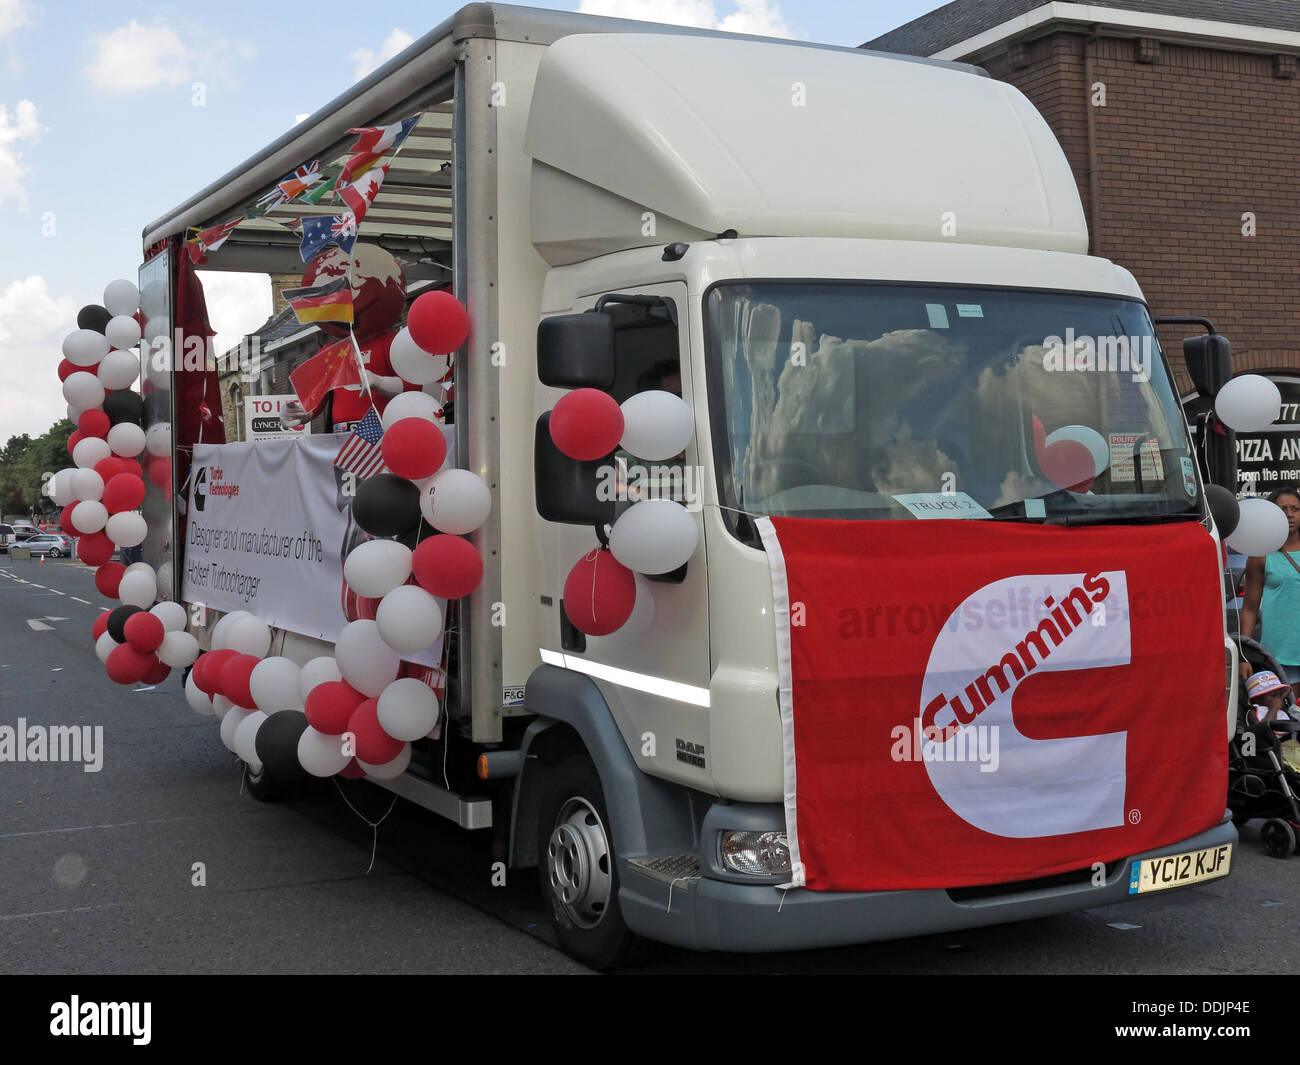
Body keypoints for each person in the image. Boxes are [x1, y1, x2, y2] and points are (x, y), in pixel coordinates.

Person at [1240, 486, 1300, 699]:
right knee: (1285, 722)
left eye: (1295, 509)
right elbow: (1249, 608)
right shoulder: (1261, 554)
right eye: (1283, 509)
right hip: (1278, 656)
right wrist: (1243, 654)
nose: (1289, 514)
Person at [1245, 670, 1300, 772]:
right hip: (1275, 753)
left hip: (1293, 747)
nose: (1277, 699)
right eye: (1272, 696)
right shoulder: (1254, 712)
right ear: (1257, 699)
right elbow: (1262, 730)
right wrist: (1273, 708)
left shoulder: (1281, 711)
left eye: (1279, 696)